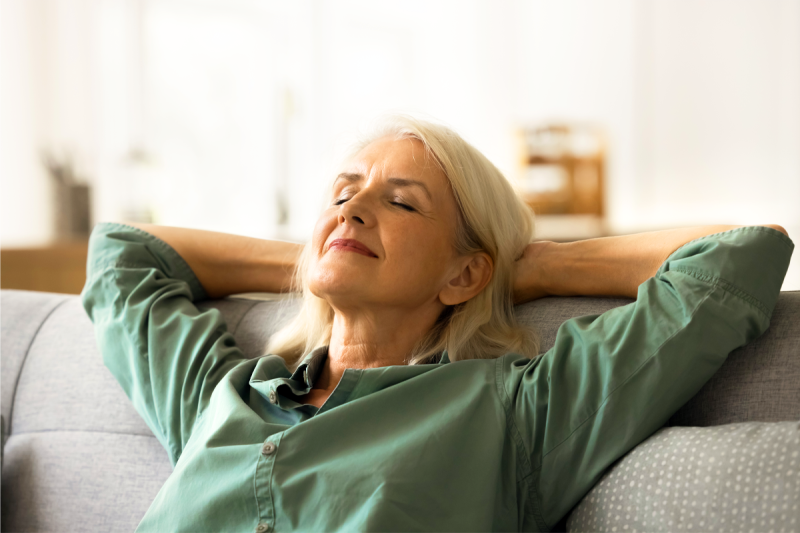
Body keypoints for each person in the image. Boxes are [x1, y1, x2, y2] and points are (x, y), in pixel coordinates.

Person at [81, 116, 793, 533]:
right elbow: (121, 255)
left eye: (402, 203)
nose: (352, 209)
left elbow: (740, 255)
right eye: (342, 193)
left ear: (464, 275)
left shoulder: (512, 413)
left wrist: (530, 267)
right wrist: (321, 253)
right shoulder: (225, 395)